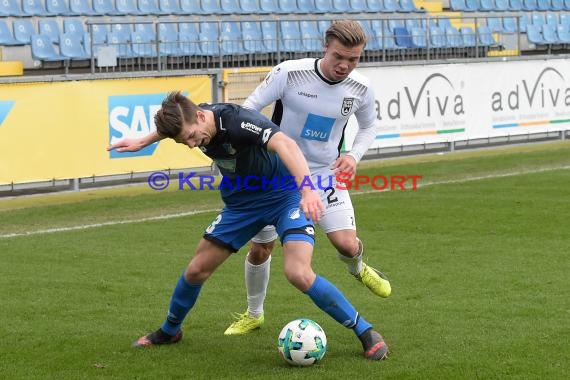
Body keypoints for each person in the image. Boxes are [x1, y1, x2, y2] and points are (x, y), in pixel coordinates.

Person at [107, 91, 389, 360]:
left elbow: (286, 145)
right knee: (196, 270)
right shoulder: (191, 120)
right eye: (185, 142)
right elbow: (176, 128)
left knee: (297, 272)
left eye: (192, 137)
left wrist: (307, 190)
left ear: (200, 116)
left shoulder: (239, 120)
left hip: (285, 196)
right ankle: (170, 331)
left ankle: (365, 330)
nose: (193, 144)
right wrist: (145, 141)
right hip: (242, 203)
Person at [224, 20, 392, 336]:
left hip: (324, 174)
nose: (344, 65)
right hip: (277, 175)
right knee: (262, 248)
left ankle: (358, 268)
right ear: (325, 47)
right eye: (338, 56)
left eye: (353, 59)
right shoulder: (290, 73)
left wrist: (353, 156)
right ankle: (254, 313)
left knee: (346, 244)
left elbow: (369, 127)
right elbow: (247, 109)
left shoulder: (361, 88)